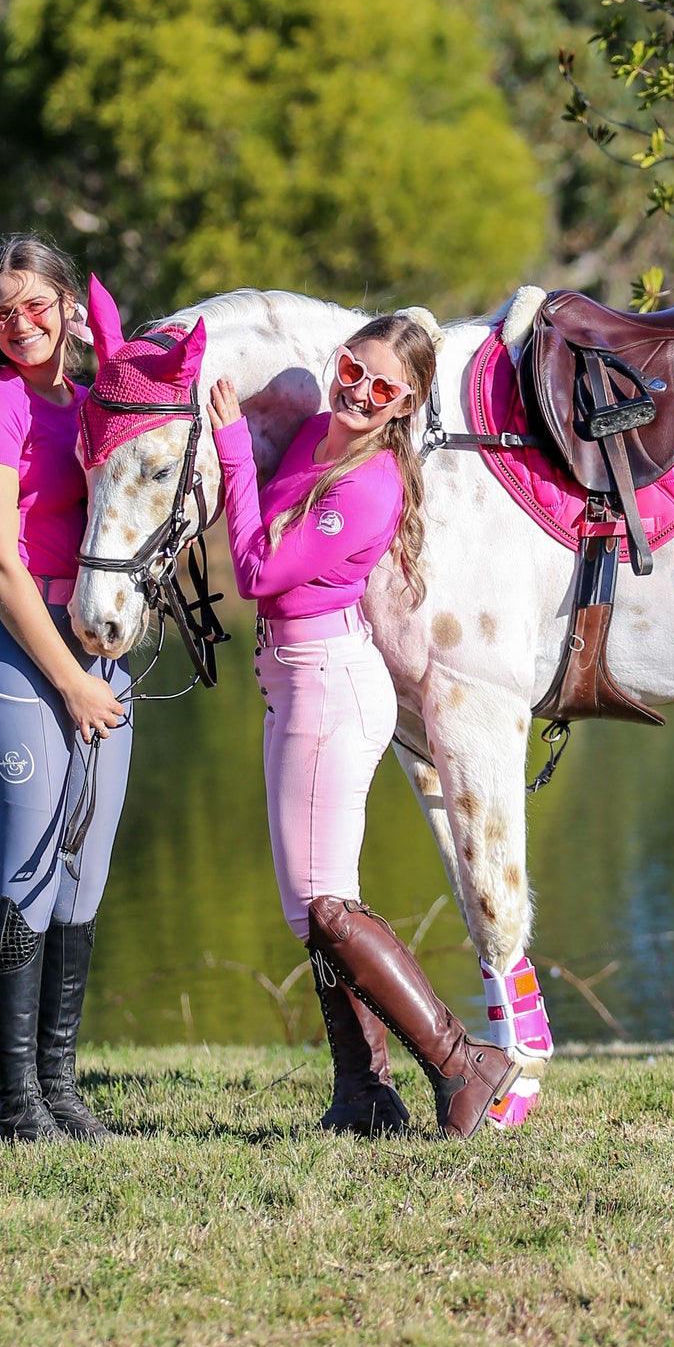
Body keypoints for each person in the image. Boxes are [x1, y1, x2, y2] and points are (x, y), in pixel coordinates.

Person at [208, 316, 521, 1140]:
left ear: (403, 404)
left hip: (331, 689)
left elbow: (255, 572)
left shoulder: (373, 482)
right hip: (292, 680)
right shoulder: (316, 435)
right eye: (353, 369)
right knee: (306, 908)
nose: (358, 390)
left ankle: (463, 1063)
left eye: (382, 387)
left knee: (327, 908)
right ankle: (363, 1095)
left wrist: (234, 450)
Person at [0, 236, 131, 1141]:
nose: (19, 324)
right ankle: (16, 1105)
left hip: (101, 650)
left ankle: (59, 1086)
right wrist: (71, 684)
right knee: (23, 870)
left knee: (83, 875)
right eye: (1, 312)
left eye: (34, 305)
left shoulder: (96, 400)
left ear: (67, 306)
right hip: (21, 658)